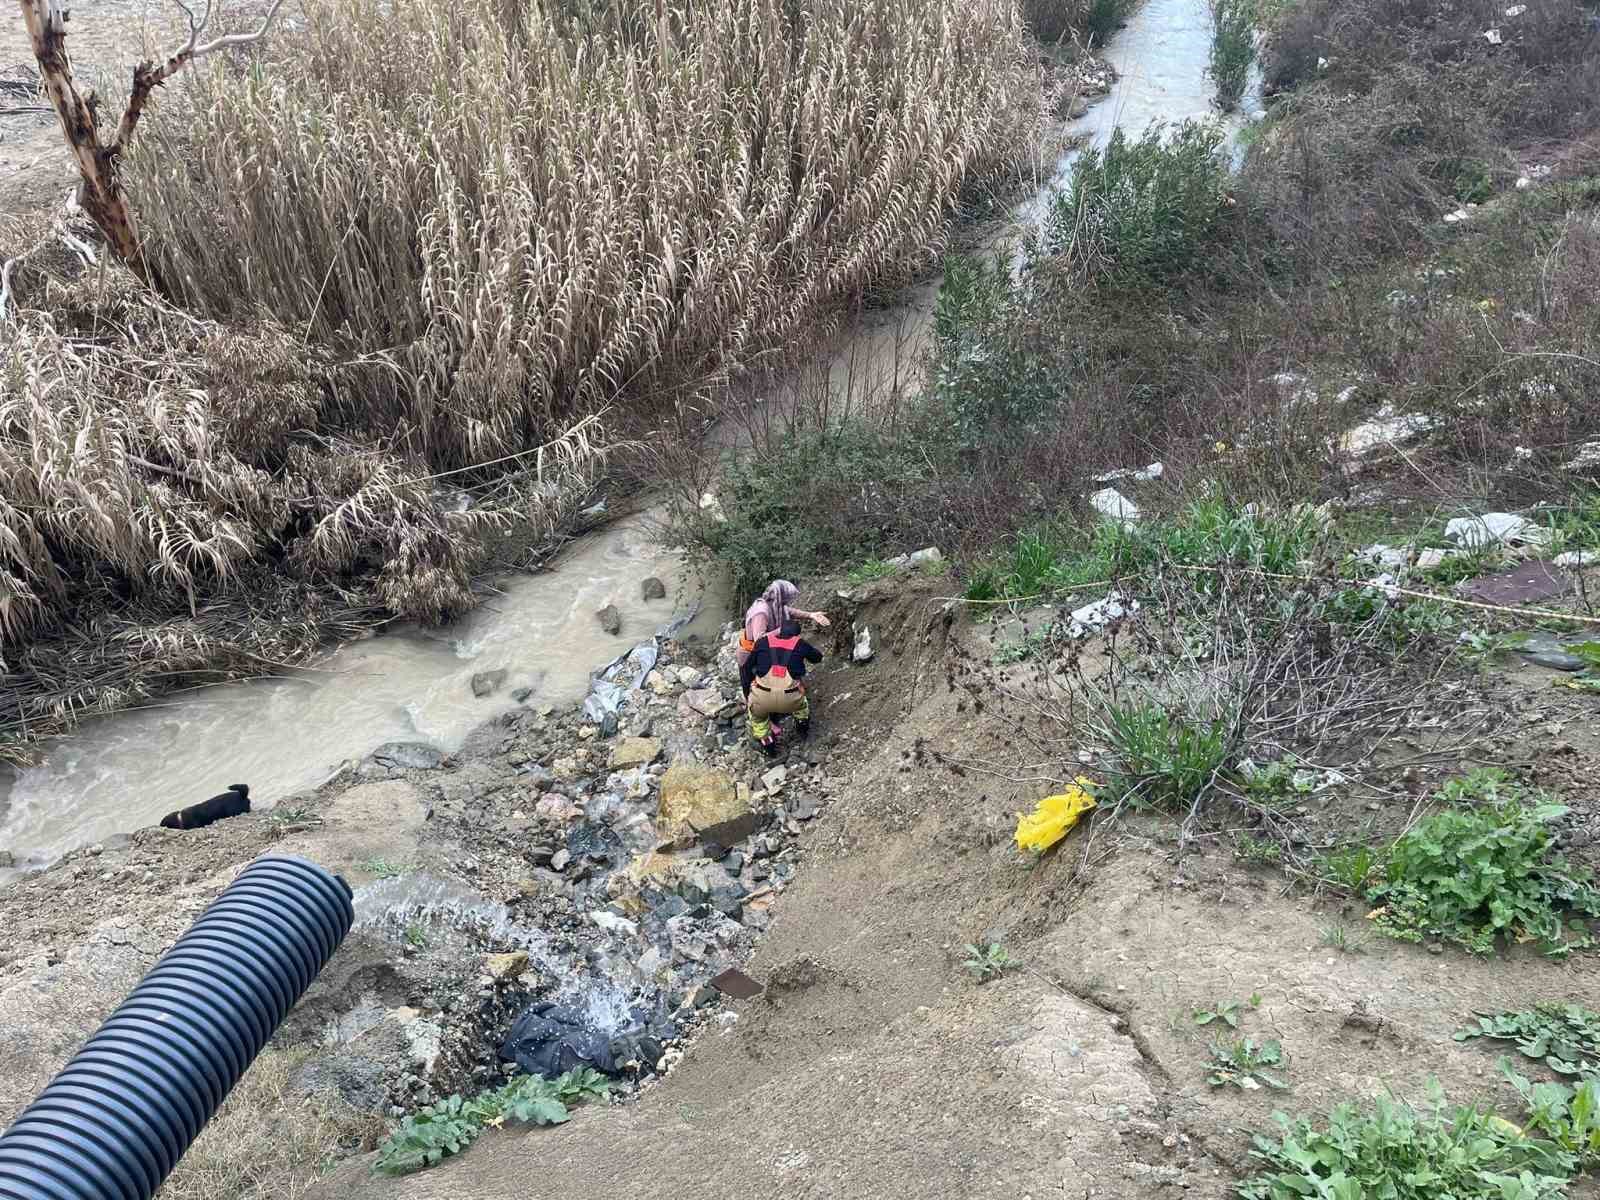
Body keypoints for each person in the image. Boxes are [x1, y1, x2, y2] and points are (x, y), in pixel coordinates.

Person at [741, 620, 823, 756]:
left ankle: (770, 750)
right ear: (797, 635)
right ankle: (803, 732)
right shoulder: (800, 644)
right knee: (802, 708)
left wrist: (748, 690)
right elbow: (817, 658)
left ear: (780, 630)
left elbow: (746, 667)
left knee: (759, 721)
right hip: (791, 698)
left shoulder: (762, 642)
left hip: (762, 698)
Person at [735, 580, 830, 696]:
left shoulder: (775, 606)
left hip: (765, 651)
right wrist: (781, 630)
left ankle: (771, 706)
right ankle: (752, 706)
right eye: (787, 598)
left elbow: (791, 611)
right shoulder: (761, 612)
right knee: (750, 685)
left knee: (768, 685)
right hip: (749, 654)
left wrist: (811, 615)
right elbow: (759, 639)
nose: (788, 602)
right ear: (780, 596)